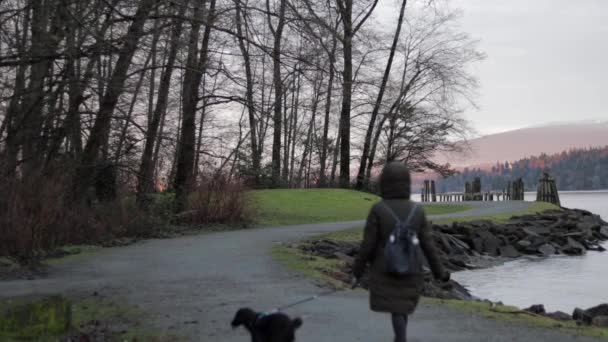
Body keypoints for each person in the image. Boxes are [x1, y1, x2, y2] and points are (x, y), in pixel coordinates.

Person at [352, 161, 449, 342]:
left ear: (384, 182)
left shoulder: (378, 210)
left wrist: (357, 273)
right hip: (412, 268)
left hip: (385, 269)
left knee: (396, 308)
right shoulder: (417, 210)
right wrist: (439, 273)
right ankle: (400, 338)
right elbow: (428, 246)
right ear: (407, 182)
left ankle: (400, 338)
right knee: (401, 307)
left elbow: (367, 246)